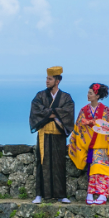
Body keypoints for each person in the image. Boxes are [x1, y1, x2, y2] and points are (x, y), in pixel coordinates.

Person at [68, 83, 109, 205]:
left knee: (104, 171)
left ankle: (103, 195)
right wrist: (76, 137)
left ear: (97, 95)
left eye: (90, 93)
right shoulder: (83, 111)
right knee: (93, 170)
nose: (88, 95)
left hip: (104, 146)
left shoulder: (105, 110)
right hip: (92, 147)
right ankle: (90, 193)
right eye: (88, 92)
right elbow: (77, 128)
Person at [29, 66, 75, 204]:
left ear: (57, 80)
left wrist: (49, 112)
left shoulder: (66, 97)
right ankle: (39, 194)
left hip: (58, 135)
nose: (47, 81)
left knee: (59, 163)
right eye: (46, 78)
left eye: (50, 79)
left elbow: (68, 112)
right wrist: (55, 113)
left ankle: (61, 195)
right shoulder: (40, 96)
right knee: (41, 162)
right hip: (43, 135)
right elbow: (36, 110)